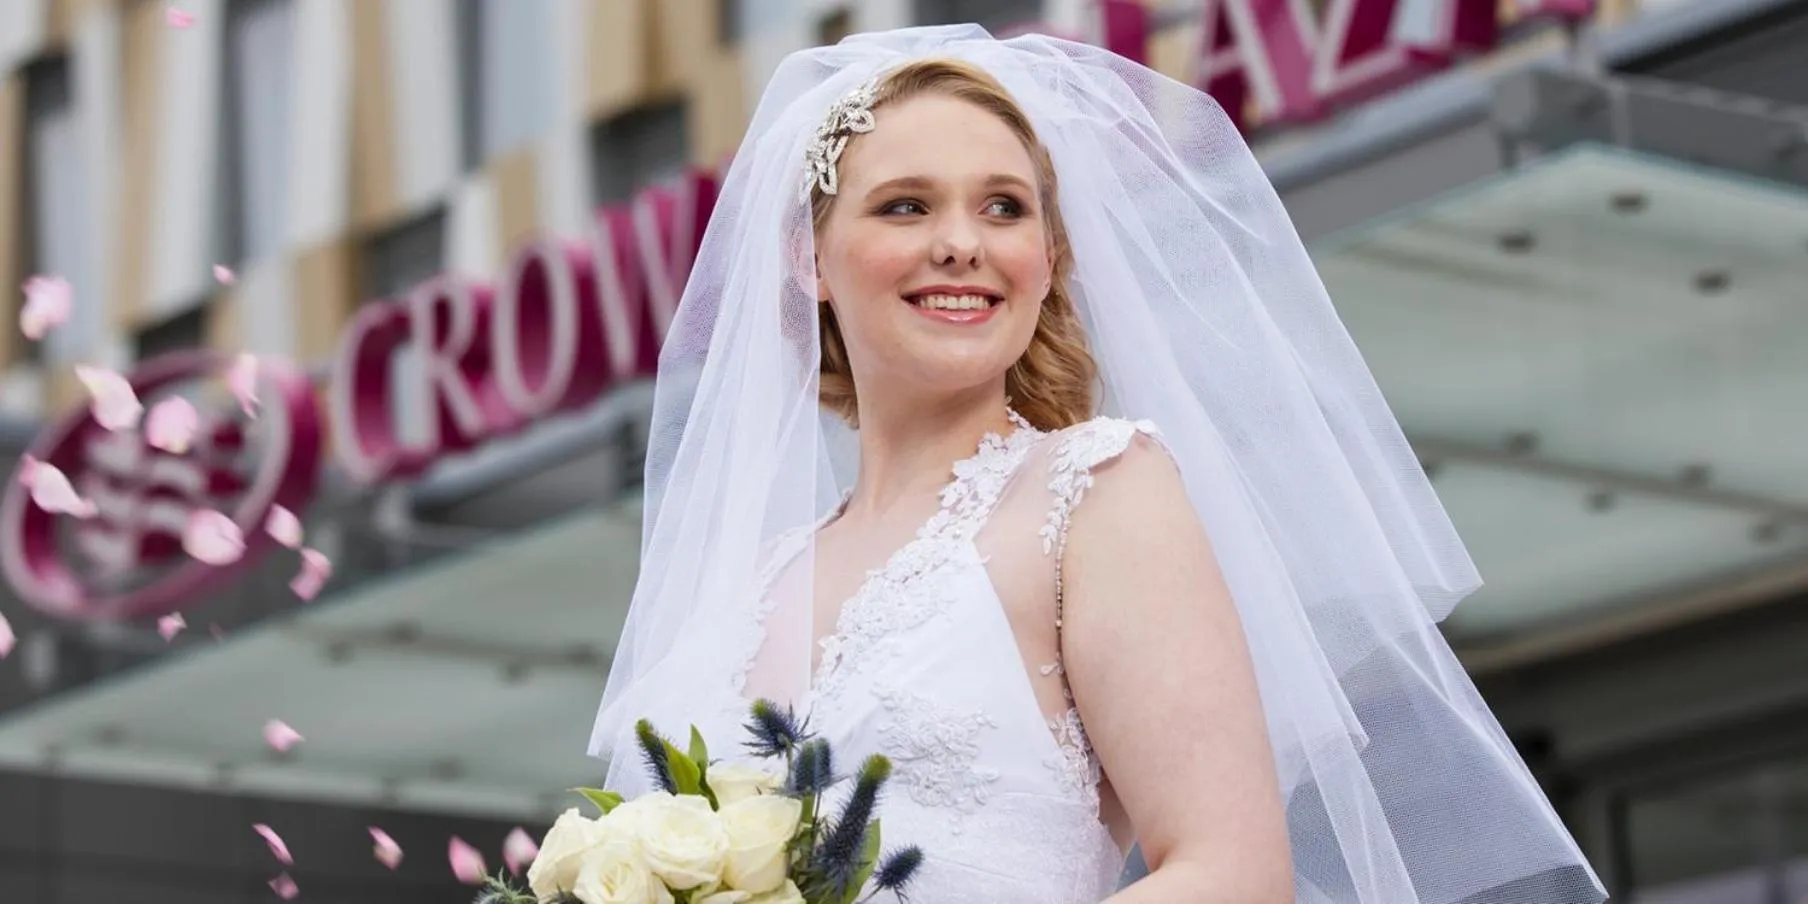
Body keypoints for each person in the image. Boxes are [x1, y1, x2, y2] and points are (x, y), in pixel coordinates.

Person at [589, 25, 1607, 904]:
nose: (962, 244)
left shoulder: (1094, 495)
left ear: (1049, 257)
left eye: (1003, 208)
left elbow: (1229, 869)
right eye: (904, 206)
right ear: (809, 258)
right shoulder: (745, 576)